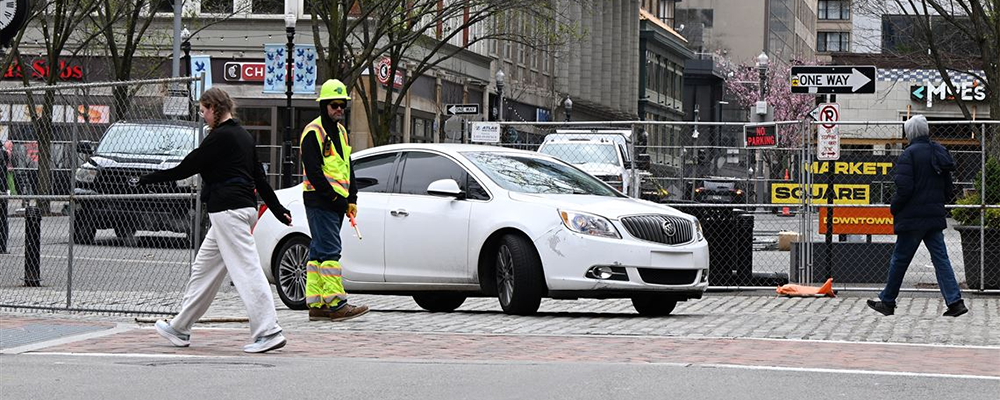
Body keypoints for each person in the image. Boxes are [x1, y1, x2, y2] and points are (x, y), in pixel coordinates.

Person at [141, 88, 294, 353]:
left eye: (203, 111)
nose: (202, 117)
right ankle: (179, 327)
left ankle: (268, 330)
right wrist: (278, 209)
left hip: (228, 211)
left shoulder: (220, 137)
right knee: (203, 270)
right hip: (237, 210)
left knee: (247, 270)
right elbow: (259, 179)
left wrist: (148, 179)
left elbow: (188, 167)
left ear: (214, 108)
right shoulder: (244, 137)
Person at [868, 115, 968, 318]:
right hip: (933, 216)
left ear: (910, 133)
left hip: (912, 218)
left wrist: (894, 207)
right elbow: (949, 187)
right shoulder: (939, 151)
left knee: (900, 260)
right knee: (941, 259)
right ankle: (955, 302)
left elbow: (904, 188)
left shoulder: (909, 154)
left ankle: (888, 301)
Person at [300, 79, 369, 321]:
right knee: (330, 251)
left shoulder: (340, 132)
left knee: (318, 251)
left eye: (342, 105)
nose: (339, 109)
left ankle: (317, 304)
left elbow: (346, 166)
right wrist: (335, 199)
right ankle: (337, 303)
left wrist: (352, 197)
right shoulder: (313, 133)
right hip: (320, 201)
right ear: (324, 106)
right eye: (334, 105)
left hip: (335, 202)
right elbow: (315, 173)